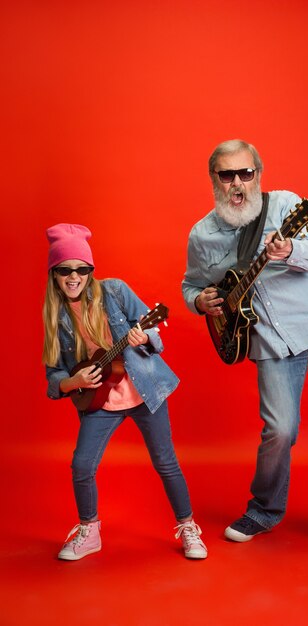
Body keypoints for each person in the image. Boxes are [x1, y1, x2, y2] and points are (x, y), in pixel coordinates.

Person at [182, 139, 308, 556]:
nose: (238, 183)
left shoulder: (286, 207)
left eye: (246, 173)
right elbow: (191, 285)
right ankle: (264, 509)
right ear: (214, 181)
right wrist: (200, 301)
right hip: (271, 340)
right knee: (280, 430)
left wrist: (289, 248)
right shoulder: (202, 235)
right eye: (228, 175)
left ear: (258, 174)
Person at [42, 223, 207, 561]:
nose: (74, 277)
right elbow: (53, 375)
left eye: (81, 269)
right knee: (81, 465)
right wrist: (73, 383)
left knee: (166, 462)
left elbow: (157, 331)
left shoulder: (114, 291)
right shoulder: (56, 318)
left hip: (145, 391)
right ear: (54, 274)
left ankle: (188, 527)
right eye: (65, 270)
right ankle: (89, 532)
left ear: (90, 271)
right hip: (99, 401)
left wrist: (143, 337)